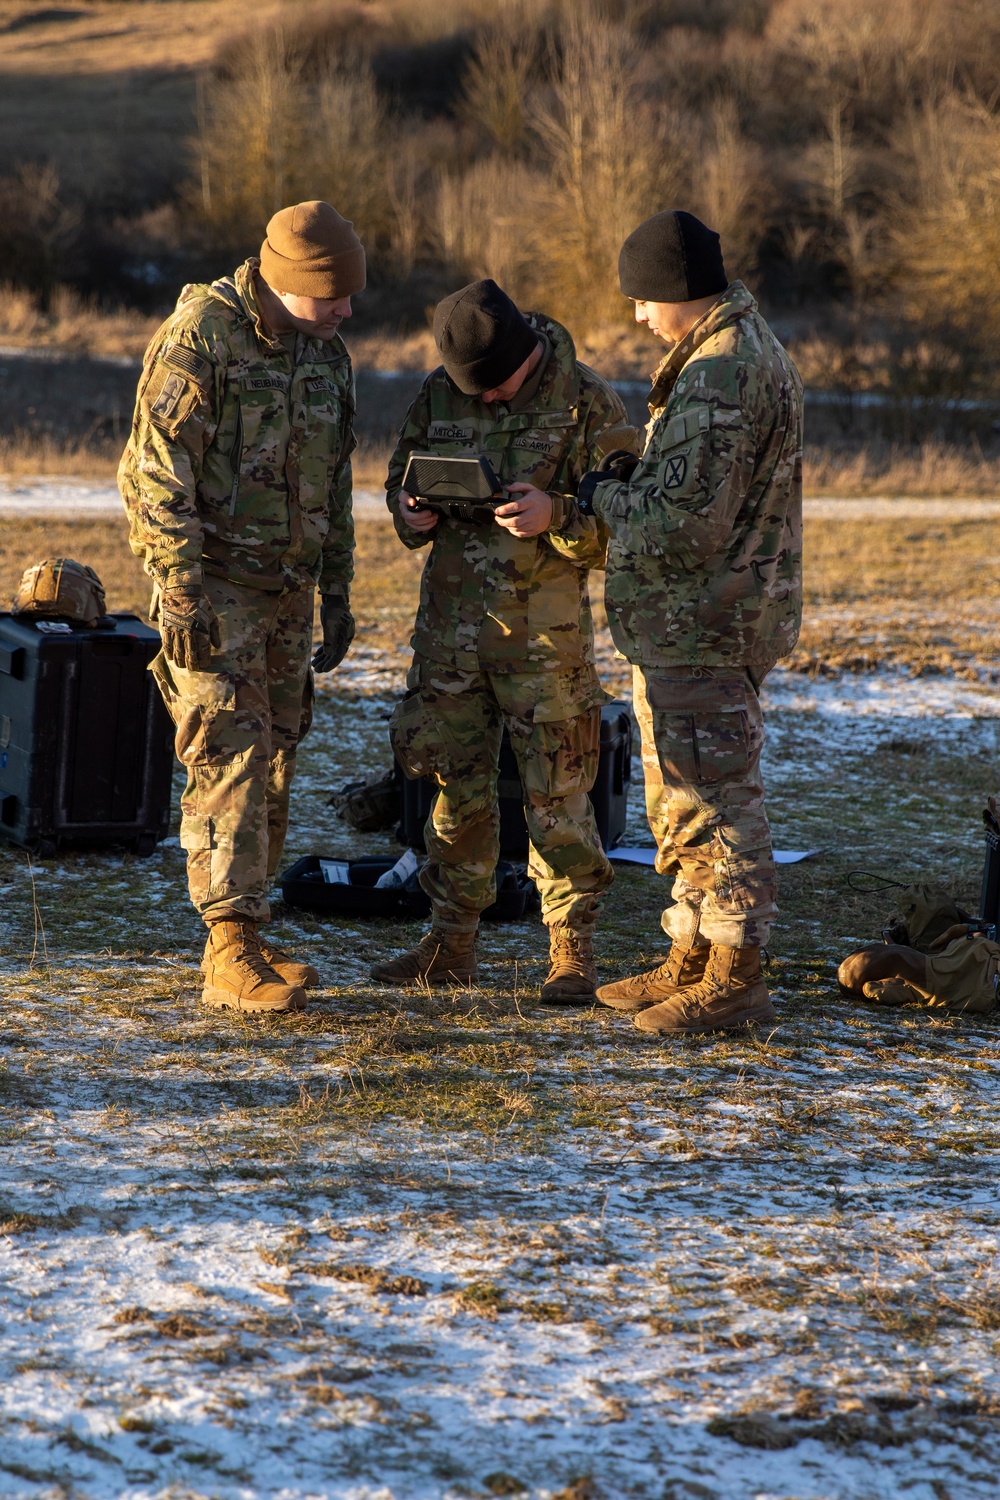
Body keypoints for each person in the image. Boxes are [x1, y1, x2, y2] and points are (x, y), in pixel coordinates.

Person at [119, 201, 364, 1014]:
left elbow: (335, 482)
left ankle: (251, 932)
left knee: (277, 760)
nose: (347, 312)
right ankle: (225, 946)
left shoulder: (327, 355)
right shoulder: (202, 337)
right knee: (226, 758)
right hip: (215, 590)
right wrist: (180, 584)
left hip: (289, 594)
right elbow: (155, 471)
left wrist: (339, 591)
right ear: (288, 283)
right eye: (333, 296)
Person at [372, 278, 639, 1001]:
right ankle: (451, 942)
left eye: (496, 387)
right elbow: (400, 482)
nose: (485, 400)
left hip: (545, 646)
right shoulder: (438, 395)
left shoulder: (589, 401)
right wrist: (410, 512)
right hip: (450, 641)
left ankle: (572, 951)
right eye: (472, 391)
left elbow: (630, 527)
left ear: (526, 354)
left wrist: (556, 513)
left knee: (559, 797)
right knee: (453, 792)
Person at [578, 210, 803, 1033]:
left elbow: (681, 524)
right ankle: (696, 954)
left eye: (644, 299)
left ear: (677, 291)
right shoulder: (742, 353)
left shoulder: (720, 371)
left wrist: (600, 494)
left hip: (703, 620)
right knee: (686, 801)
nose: (639, 315)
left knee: (716, 800)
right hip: (704, 617)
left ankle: (736, 976)